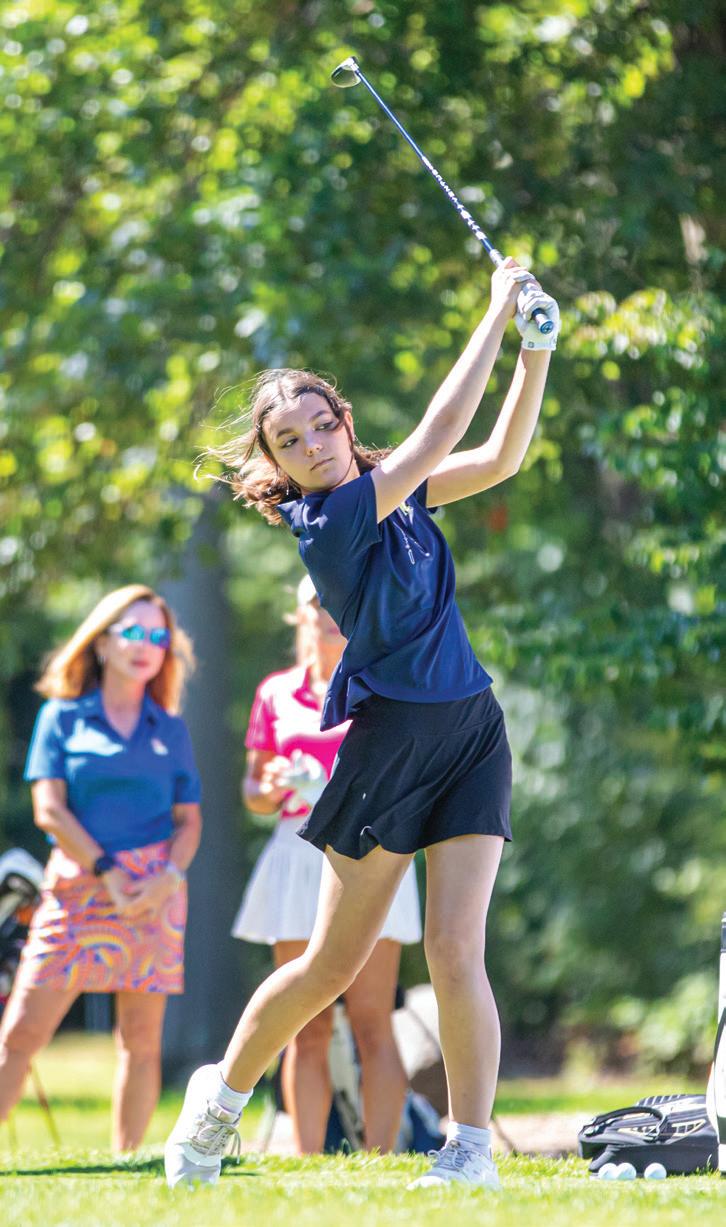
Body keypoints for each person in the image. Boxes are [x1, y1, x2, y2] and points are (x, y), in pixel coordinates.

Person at [165, 258, 559, 1190]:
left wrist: (534, 352)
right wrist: (495, 312)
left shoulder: (397, 491)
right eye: (289, 441)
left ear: (344, 422)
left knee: (457, 949)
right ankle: (217, 1104)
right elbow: (438, 432)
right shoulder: (331, 518)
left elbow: (499, 457)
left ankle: (469, 1149)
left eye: (319, 425)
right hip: (392, 746)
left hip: (472, 730)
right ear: (278, 465)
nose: (311, 445)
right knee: (330, 968)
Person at [0, 584, 202, 1153]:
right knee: (20, 1032)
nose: (145, 645)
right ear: (103, 643)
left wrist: (167, 879)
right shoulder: (61, 717)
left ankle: (127, 1162)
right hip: (78, 886)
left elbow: (189, 822)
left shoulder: (170, 728)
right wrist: (107, 869)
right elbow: (49, 809)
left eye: (157, 636)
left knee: (141, 1039)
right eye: (132, 632)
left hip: (155, 894)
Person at [233, 574, 421, 1153]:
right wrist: (269, 787)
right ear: (301, 615)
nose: (328, 610)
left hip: (369, 848)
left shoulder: (384, 683)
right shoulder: (275, 693)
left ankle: (380, 1159)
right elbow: (253, 791)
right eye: (317, 601)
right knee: (305, 1025)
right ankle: (306, 1159)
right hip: (296, 855)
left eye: (337, 598)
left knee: (371, 1020)